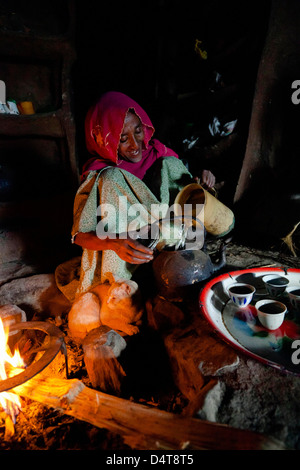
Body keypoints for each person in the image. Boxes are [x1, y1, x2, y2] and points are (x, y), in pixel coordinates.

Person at [56, 91, 216, 302]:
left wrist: (201, 184)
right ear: (104, 140)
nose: (135, 144)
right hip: (128, 260)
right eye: (123, 139)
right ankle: (123, 294)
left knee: (172, 165)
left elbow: (189, 203)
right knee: (111, 176)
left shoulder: (160, 155)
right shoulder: (100, 175)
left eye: (138, 131)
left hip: (171, 255)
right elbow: (80, 234)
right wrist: (114, 242)